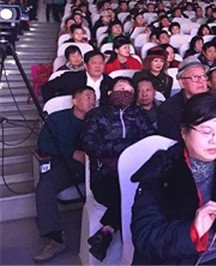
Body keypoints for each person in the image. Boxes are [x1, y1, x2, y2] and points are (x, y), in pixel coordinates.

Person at [131, 93, 216, 264]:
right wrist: (193, 230)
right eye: (206, 132)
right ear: (184, 132)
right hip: (183, 259)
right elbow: (145, 237)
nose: (214, 140)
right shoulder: (162, 172)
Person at [82, 78, 155, 261]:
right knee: (124, 196)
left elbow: (151, 139)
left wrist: (130, 152)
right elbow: (90, 145)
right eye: (121, 88)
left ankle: (106, 232)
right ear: (109, 92)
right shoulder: (96, 115)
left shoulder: (138, 114)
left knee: (142, 196)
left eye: (129, 89)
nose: (125, 92)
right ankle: (135, 258)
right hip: (105, 175)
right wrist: (127, 148)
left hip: (136, 173)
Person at [33, 87, 96, 263]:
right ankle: (56, 239)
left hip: (95, 166)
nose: (92, 101)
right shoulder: (57, 119)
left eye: (94, 97)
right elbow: (43, 144)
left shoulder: (99, 117)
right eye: (87, 97)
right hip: (67, 165)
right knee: (45, 187)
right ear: (74, 101)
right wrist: (71, 153)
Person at [157, 57, 209, 141]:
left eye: (203, 76)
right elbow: (172, 143)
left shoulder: (215, 103)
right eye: (195, 77)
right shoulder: (167, 110)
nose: (200, 81)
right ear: (181, 83)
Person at [42, 50, 113, 102]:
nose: (98, 66)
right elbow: (47, 88)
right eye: (94, 63)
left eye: (101, 63)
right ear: (85, 66)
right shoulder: (71, 78)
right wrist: (52, 106)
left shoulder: (110, 82)